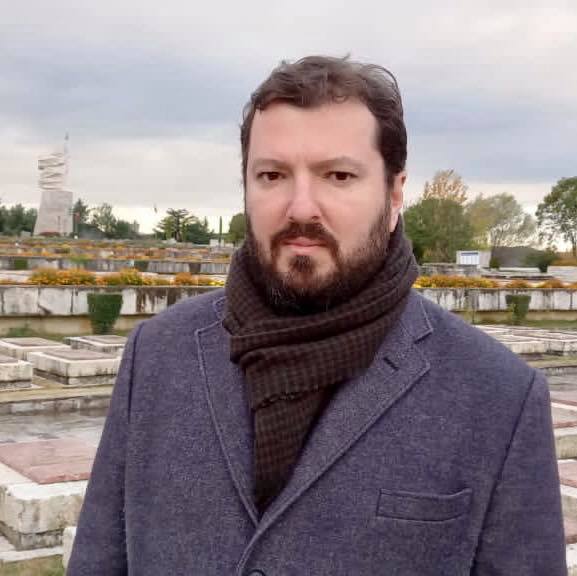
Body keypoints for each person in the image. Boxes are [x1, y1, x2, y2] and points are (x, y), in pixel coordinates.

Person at [68, 56, 566, 575]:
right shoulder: (156, 355)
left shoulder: (499, 396)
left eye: (338, 175)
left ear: (395, 193)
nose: (301, 207)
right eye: (272, 175)